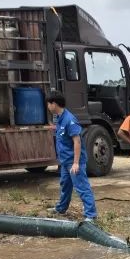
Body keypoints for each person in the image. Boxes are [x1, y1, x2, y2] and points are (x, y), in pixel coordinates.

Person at [45, 93, 97, 221]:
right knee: (65, 185)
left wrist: (76, 163)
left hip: (73, 162)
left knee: (82, 187)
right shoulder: (59, 118)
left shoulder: (70, 119)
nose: (47, 106)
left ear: (54, 104)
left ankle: (91, 214)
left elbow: (77, 141)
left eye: (48, 103)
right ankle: (61, 208)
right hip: (65, 161)